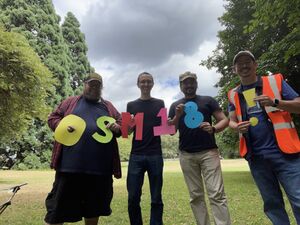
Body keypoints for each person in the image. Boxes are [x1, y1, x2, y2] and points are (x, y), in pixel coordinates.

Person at [228, 50, 300, 225]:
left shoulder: (275, 81)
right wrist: (237, 126)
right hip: (256, 157)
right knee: (272, 204)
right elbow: (231, 121)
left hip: (286, 154)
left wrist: (276, 102)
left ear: (255, 65)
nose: (244, 65)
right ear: (234, 69)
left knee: (298, 199)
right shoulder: (232, 94)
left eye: (248, 61)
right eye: (240, 63)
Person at [44, 72, 122, 225]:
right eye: (91, 84)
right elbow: (53, 117)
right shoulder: (70, 102)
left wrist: (117, 127)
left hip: (99, 171)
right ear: (84, 84)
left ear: (102, 87)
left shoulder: (109, 106)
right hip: (69, 169)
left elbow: (121, 125)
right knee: (56, 212)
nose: (94, 87)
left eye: (98, 85)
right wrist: (63, 126)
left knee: (93, 211)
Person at [168, 71, 231, 225]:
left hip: (209, 152)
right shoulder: (175, 105)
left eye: (191, 82)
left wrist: (214, 128)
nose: (189, 85)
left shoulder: (208, 100)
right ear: (181, 85)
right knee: (195, 196)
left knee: (216, 194)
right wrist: (177, 115)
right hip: (186, 155)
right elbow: (171, 131)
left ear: (196, 83)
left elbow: (224, 120)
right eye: (185, 82)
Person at [126, 72, 164, 225]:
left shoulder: (159, 103)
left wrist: (171, 120)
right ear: (138, 84)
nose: (146, 84)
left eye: (149, 82)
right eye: (143, 82)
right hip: (136, 155)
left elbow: (164, 128)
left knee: (156, 197)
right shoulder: (131, 105)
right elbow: (128, 131)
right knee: (133, 197)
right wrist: (127, 124)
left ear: (153, 84)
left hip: (155, 154)